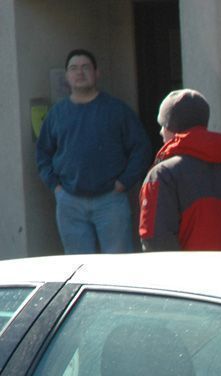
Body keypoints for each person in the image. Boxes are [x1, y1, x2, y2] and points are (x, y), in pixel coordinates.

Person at [35, 49, 152, 254]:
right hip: (69, 202)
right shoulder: (56, 114)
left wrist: (124, 182)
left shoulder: (116, 110)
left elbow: (141, 148)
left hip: (111, 201)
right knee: (79, 266)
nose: (80, 73)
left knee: (118, 265)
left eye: (85, 67)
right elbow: (42, 154)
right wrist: (56, 186)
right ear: (67, 76)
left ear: (97, 73)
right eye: (74, 68)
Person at [138, 89, 221, 251]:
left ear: (172, 127)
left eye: (163, 126)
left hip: (187, 268)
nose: (161, 132)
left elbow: (156, 240)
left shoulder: (162, 175)